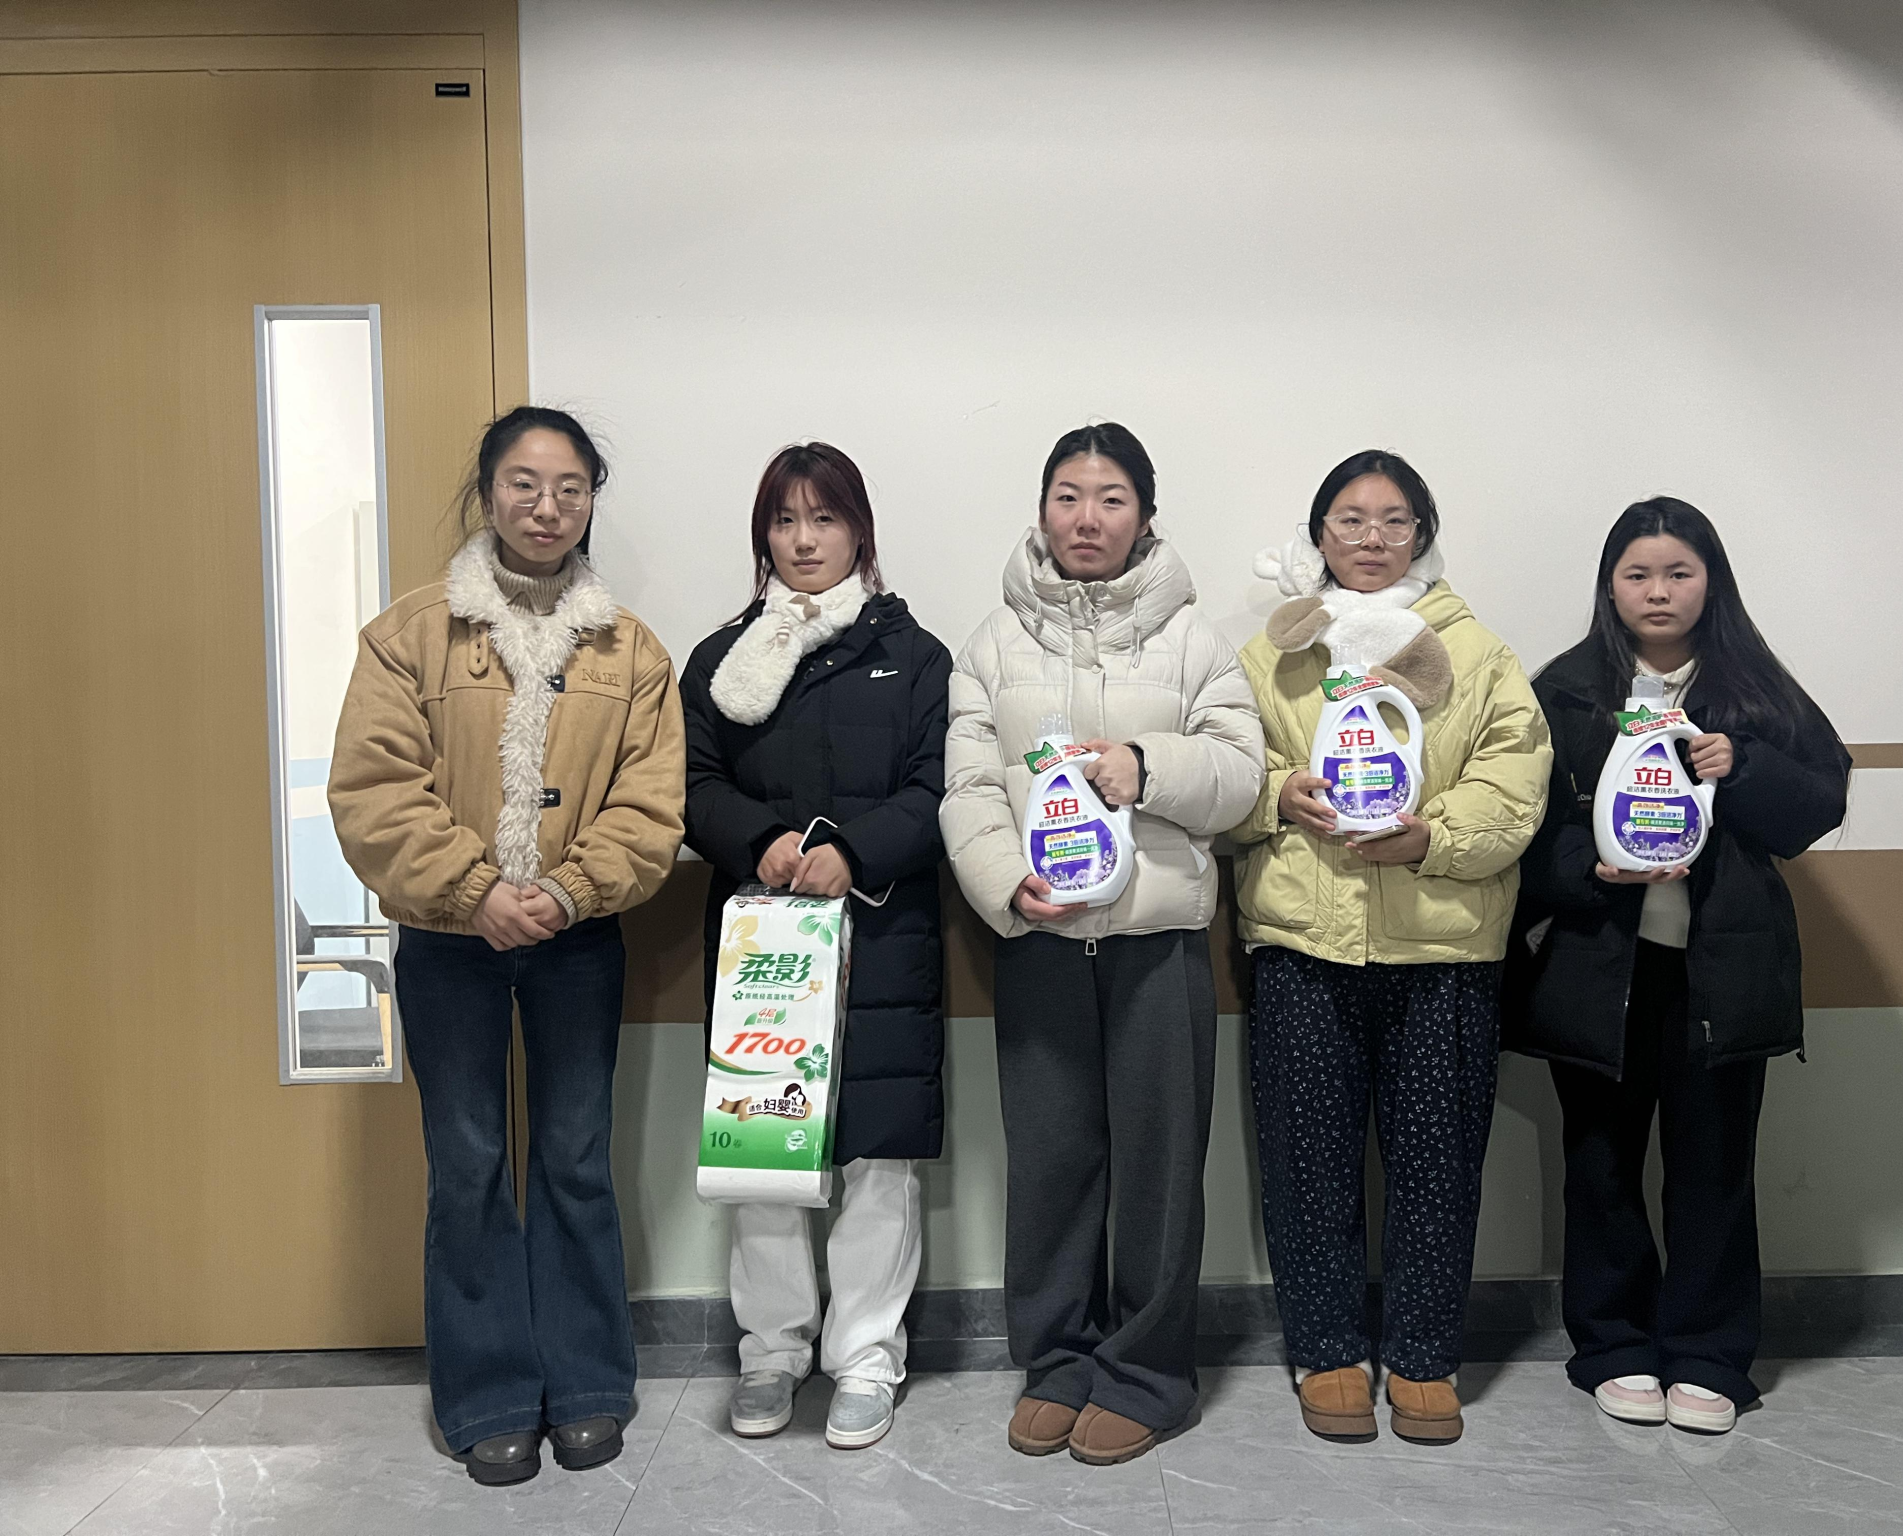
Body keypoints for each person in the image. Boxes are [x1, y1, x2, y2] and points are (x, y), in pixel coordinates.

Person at [328, 406, 685, 1484]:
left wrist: (568, 891)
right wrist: (476, 889)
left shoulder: (631, 651)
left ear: (590, 502)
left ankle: (586, 1384)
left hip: (579, 942)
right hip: (447, 942)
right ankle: (485, 1394)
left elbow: (650, 807)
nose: (547, 506)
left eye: (570, 487)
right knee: (469, 1163)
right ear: (488, 494)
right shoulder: (408, 635)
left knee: (575, 1158)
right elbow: (374, 794)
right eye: (525, 484)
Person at [941, 422, 1263, 1466]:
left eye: (1112, 498)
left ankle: (1147, 1373)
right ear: (1042, 511)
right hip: (1039, 941)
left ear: (1145, 516)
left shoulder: (1195, 641)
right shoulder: (991, 644)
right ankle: (1057, 1362)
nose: (1088, 518)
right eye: (1069, 497)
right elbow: (968, 788)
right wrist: (1004, 880)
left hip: (1157, 944)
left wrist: (1143, 765)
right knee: (1050, 1163)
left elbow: (1239, 774)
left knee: (1161, 1171)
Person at [1504, 497, 1849, 1434]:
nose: (1658, 592)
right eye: (1638, 574)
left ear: (1711, 582)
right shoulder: (1566, 691)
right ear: (1610, 586)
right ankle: (1612, 1344)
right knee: (1601, 1166)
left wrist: (1745, 766)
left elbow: (1819, 806)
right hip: (1600, 971)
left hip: (1721, 976)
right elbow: (1522, 837)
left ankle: (1708, 1353)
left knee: (1714, 1167)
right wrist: (1593, 870)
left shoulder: (1753, 689)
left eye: (1678, 573)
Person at [1230, 450, 1551, 1446]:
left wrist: (1432, 838)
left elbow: (1514, 784)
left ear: (1422, 534)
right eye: (1349, 519)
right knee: (1307, 1165)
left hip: (1443, 952)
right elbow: (1223, 769)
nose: (1370, 539)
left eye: (1394, 520)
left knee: (1438, 1169)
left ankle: (1422, 1357)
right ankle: (1326, 1351)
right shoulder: (1269, 656)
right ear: (1317, 534)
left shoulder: (1479, 655)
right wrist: (1275, 793)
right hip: (1300, 942)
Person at [681, 442, 951, 1452]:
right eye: (784, 520)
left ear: (859, 533)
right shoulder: (720, 659)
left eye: (824, 518)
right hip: (762, 939)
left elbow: (937, 788)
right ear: (763, 535)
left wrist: (852, 852)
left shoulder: (915, 656)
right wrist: (760, 840)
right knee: (762, 1150)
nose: (803, 539)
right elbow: (691, 783)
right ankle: (771, 1352)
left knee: (878, 1157)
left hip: (883, 936)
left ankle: (867, 1356)